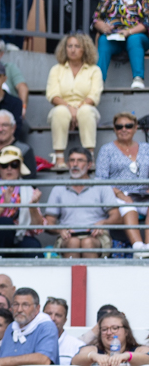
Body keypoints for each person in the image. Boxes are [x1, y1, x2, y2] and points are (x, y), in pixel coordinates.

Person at [42, 148, 121, 258]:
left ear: (89, 165)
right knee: (72, 243)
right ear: (67, 164)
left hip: (97, 236)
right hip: (68, 237)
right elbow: (48, 222)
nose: (75, 164)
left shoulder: (102, 186)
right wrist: (60, 229)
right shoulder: (58, 189)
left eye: (80, 160)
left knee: (88, 243)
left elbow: (117, 216)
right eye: (72, 160)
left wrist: (103, 223)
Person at [45, 34, 101, 170]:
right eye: (69, 46)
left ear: (85, 49)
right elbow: (52, 94)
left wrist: (78, 109)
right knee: (60, 112)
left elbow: (94, 95)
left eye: (77, 46)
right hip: (63, 106)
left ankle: (89, 157)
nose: (73, 50)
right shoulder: (56, 69)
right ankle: (59, 158)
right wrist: (70, 107)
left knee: (86, 111)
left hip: (86, 106)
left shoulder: (94, 70)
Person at [98, 111, 149, 256]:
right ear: (114, 129)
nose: (124, 129)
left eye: (128, 126)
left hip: (142, 194)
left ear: (135, 128)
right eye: (119, 126)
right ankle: (138, 247)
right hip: (117, 194)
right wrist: (120, 193)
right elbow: (100, 180)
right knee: (128, 205)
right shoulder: (106, 150)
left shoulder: (146, 148)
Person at [0, 287, 58, 366]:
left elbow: (44, 359)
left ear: (37, 308)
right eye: (16, 304)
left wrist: (3, 362)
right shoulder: (11, 327)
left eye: (25, 305)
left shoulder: (47, 327)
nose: (19, 310)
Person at [93, 0, 149, 88]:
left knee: (134, 40)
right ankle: (99, 81)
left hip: (137, 37)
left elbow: (147, 23)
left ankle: (138, 78)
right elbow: (97, 18)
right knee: (103, 40)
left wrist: (129, 32)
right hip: (114, 37)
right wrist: (103, 27)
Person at [72, 311, 149, 366]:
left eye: (115, 328)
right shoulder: (93, 349)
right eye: (104, 329)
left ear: (126, 331)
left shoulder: (139, 350)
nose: (109, 332)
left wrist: (128, 356)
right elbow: (74, 361)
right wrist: (93, 356)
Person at [42, 297, 87, 366]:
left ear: (65, 320)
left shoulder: (76, 346)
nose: (52, 318)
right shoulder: (30, 341)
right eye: (48, 314)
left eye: (58, 315)